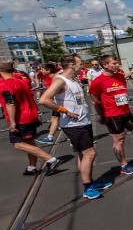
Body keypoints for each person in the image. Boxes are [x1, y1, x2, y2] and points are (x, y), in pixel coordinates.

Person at [39, 53, 112, 199]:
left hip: (83, 122)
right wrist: (64, 110)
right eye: (80, 63)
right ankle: (87, 188)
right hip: (73, 125)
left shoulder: (73, 79)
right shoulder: (60, 80)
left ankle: (90, 182)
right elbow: (44, 99)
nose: (82, 65)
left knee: (83, 154)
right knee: (90, 154)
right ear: (72, 64)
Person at [0, 60, 60, 175]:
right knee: (29, 142)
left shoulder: (4, 85)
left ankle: (51, 159)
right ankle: (32, 167)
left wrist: (12, 122)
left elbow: (10, 103)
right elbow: (30, 99)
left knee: (18, 144)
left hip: (20, 118)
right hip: (30, 115)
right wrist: (37, 115)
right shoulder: (21, 81)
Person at [36, 62, 61, 145]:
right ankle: (50, 137)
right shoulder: (48, 77)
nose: (41, 70)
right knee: (54, 119)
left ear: (48, 70)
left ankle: (83, 139)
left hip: (62, 102)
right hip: (56, 102)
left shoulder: (57, 77)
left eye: (42, 69)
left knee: (57, 119)